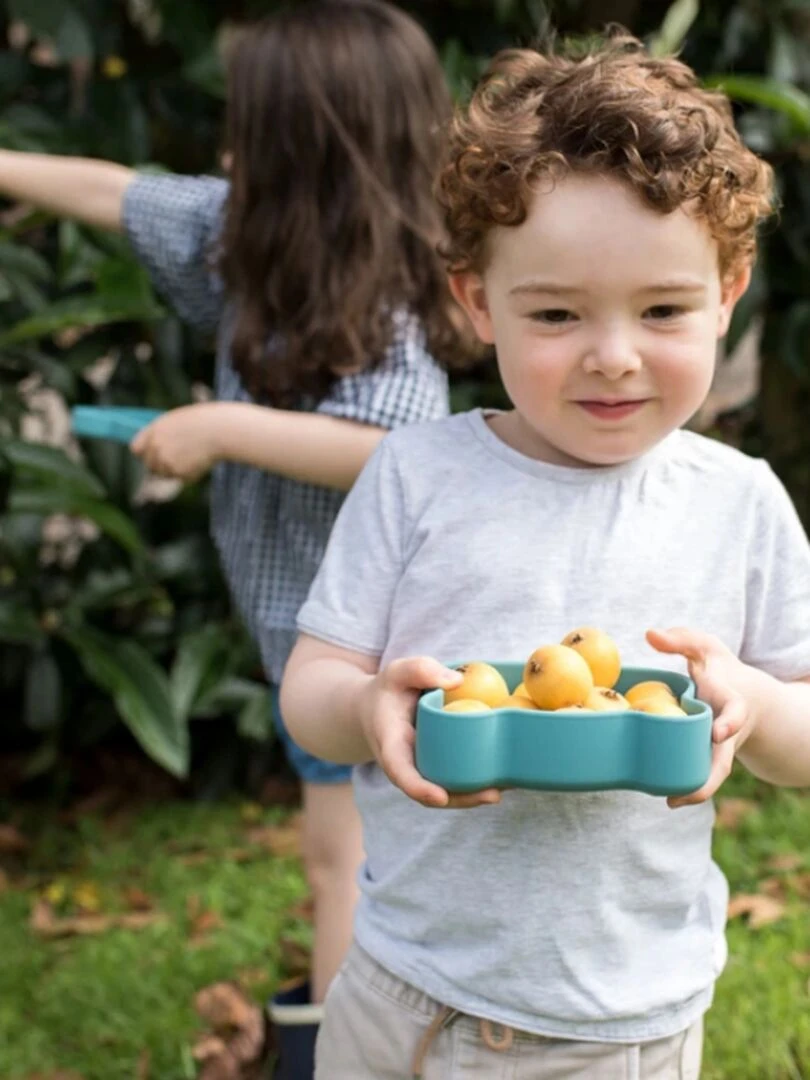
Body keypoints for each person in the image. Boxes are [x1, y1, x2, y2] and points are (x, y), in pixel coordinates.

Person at [279, 31, 810, 1080]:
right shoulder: (416, 477)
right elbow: (311, 689)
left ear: (729, 290)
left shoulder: (737, 503)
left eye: (662, 311)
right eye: (558, 314)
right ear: (479, 302)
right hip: (399, 989)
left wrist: (749, 700)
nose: (613, 353)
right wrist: (367, 705)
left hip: (613, 1020)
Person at [0, 2, 468, 1075]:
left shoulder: (389, 297)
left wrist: (218, 429)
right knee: (361, 857)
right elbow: (109, 192)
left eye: (245, 133)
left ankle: (351, 1057)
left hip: (366, 645)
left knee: (339, 865)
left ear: (309, 154)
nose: (222, 154)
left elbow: (389, 443)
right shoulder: (244, 242)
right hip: (306, 631)